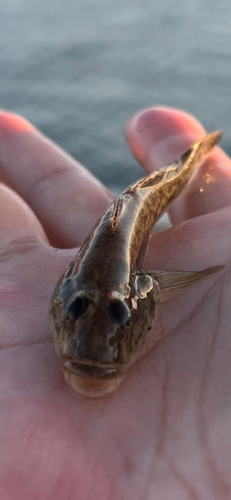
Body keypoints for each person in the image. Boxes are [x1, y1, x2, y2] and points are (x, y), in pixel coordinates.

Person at [0, 107, 230, 499]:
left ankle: (193, 161)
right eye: (75, 309)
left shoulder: (141, 287)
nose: (96, 349)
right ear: (60, 300)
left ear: (143, 294)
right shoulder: (90, 290)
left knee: (144, 196)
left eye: (121, 313)